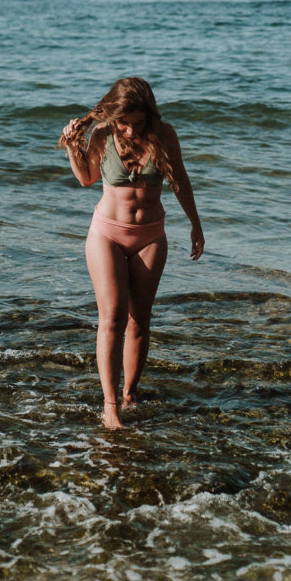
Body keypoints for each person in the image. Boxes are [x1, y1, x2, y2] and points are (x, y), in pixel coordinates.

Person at [59, 77, 204, 430]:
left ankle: (130, 393)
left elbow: (180, 179)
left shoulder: (164, 134)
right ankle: (110, 406)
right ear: (113, 116)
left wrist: (195, 224)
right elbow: (86, 179)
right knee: (112, 318)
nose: (128, 130)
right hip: (106, 232)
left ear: (149, 116)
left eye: (137, 123)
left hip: (151, 235)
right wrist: (72, 147)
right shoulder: (103, 136)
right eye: (123, 122)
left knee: (140, 319)